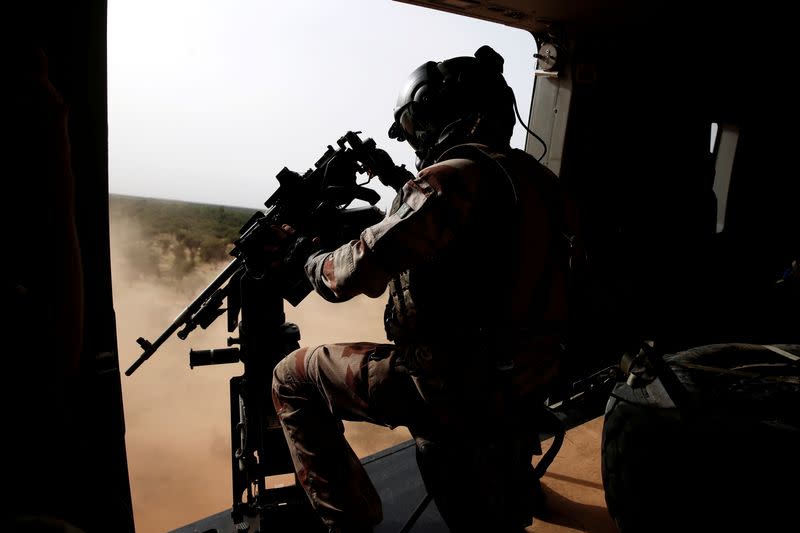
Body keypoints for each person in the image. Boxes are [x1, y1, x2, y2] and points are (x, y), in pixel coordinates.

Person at [271, 45, 570, 533]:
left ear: (450, 118)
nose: (416, 140)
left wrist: (304, 255)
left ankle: (351, 523)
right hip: (526, 380)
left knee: (291, 378)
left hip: (449, 392)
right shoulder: (539, 182)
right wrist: (395, 179)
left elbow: (349, 276)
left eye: (417, 126)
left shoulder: (451, 180)